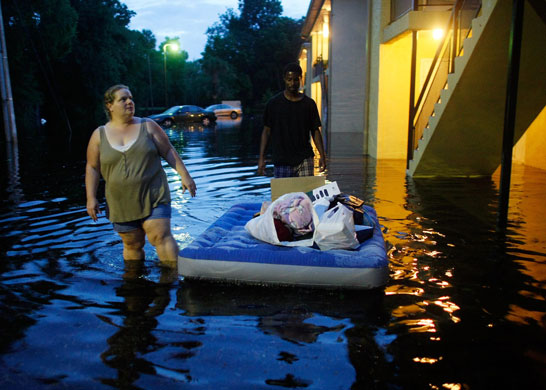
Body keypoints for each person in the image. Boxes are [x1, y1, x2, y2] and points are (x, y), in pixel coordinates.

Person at [85, 84, 196, 262]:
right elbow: (92, 168)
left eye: (131, 98)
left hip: (153, 194)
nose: (129, 102)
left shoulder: (148, 126)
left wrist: (185, 176)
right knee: (132, 245)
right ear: (110, 105)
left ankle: (175, 280)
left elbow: (168, 151)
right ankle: (135, 284)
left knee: (160, 236)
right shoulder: (99, 135)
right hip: (120, 201)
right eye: (123, 99)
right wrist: (91, 197)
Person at [257, 62, 326, 178]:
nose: (292, 83)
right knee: (284, 196)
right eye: (289, 79)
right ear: (284, 79)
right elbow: (266, 131)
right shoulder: (274, 104)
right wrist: (261, 158)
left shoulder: (309, 104)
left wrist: (322, 156)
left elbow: (315, 131)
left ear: (300, 79)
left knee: (306, 195)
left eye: (296, 80)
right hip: (282, 160)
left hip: (304, 158)